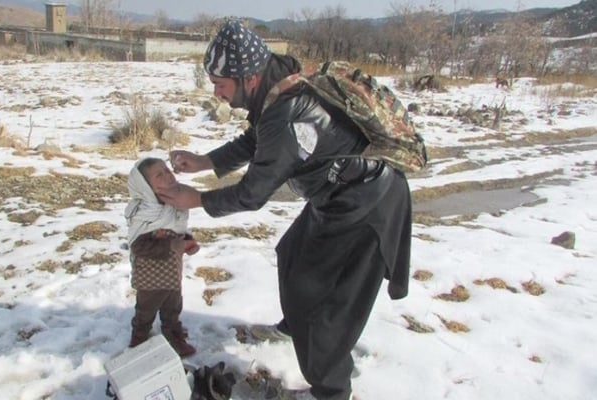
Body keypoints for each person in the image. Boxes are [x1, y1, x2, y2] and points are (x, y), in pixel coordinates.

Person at [157, 20, 412, 400]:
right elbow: (256, 140)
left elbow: (252, 193)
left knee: (322, 306)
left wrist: (197, 199)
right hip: (341, 196)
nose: (217, 93)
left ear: (249, 77)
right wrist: (204, 161)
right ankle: (296, 328)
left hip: (364, 207)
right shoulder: (278, 90)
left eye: (221, 84)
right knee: (291, 254)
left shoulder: (288, 112)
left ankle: (331, 390)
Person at [124, 157, 200, 358]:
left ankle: (174, 336)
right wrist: (174, 245)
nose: (168, 176)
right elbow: (139, 246)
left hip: (172, 271)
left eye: (167, 170)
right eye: (159, 175)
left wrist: (188, 242)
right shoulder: (143, 213)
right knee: (145, 310)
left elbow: (178, 231)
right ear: (145, 186)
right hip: (150, 277)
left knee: (173, 307)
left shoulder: (175, 206)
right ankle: (139, 338)